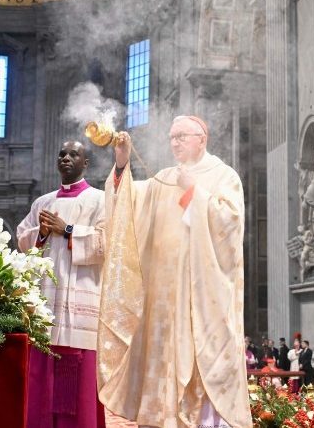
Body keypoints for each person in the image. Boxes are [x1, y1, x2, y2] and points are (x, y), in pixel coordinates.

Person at [97, 115, 249, 428]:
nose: (175, 143)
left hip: (202, 296)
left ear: (202, 139)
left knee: (199, 358)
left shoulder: (224, 175)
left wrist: (193, 191)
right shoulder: (164, 178)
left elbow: (230, 225)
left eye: (182, 136)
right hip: (162, 298)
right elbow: (128, 204)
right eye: (172, 137)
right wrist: (122, 164)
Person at [17, 140, 106, 428]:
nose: (66, 158)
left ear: (85, 163)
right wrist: (41, 233)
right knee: (41, 375)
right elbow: (22, 240)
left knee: (78, 382)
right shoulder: (42, 203)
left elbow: (108, 243)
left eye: (74, 154)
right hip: (46, 302)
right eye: (62, 154)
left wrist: (66, 229)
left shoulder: (100, 200)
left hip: (81, 305)